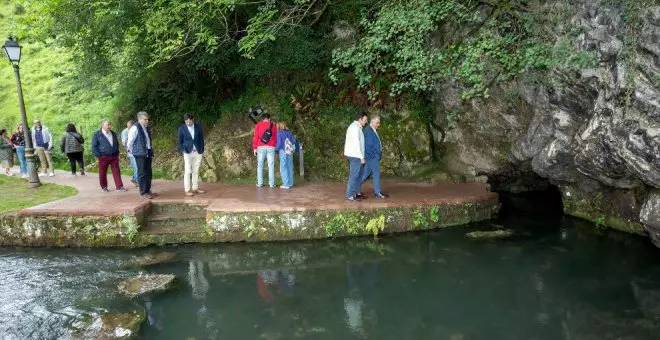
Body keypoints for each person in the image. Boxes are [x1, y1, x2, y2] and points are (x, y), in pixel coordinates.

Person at [91, 119, 126, 192]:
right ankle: (104, 187)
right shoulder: (97, 134)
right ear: (102, 125)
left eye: (110, 124)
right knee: (102, 172)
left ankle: (119, 187)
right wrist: (99, 156)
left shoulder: (113, 133)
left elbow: (116, 143)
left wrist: (117, 152)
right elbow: (94, 147)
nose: (109, 126)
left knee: (116, 171)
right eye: (108, 125)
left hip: (114, 156)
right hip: (103, 157)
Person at [127, 111, 155, 199]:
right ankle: (143, 192)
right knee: (142, 173)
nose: (147, 121)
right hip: (139, 154)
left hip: (147, 152)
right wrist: (133, 152)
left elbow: (147, 140)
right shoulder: (135, 128)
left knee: (148, 172)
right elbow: (130, 142)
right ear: (139, 119)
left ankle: (148, 190)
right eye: (145, 119)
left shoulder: (146, 127)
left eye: (147, 119)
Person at [359, 116, 388, 198]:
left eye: (379, 123)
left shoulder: (372, 130)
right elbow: (367, 146)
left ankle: (354, 188)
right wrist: (374, 156)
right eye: (377, 122)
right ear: (371, 121)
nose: (378, 124)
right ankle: (377, 192)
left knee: (365, 174)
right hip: (372, 157)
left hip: (372, 157)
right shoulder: (368, 131)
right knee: (376, 173)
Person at [178, 113, 206, 196]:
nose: (188, 123)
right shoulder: (181, 128)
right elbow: (180, 141)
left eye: (189, 121)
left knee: (196, 170)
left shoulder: (198, 127)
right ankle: (187, 190)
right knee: (187, 171)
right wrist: (183, 150)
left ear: (192, 119)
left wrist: (201, 149)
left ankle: (195, 187)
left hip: (197, 152)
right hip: (187, 152)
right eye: (186, 121)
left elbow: (201, 139)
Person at [343, 110, 368, 201]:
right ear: (360, 119)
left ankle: (357, 193)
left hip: (358, 155)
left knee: (359, 175)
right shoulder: (354, 128)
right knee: (354, 175)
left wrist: (362, 156)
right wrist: (361, 157)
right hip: (355, 156)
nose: (366, 121)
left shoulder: (358, 127)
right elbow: (356, 144)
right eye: (365, 119)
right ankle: (349, 195)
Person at [252, 113, 278, 188]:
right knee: (271, 166)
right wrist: (274, 145)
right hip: (271, 147)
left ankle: (260, 183)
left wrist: (254, 148)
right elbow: (276, 137)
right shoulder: (273, 126)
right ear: (269, 119)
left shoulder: (258, 125)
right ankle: (271, 184)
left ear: (262, 119)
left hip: (260, 147)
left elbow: (255, 137)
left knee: (260, 165)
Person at [275, 121, 296, 189]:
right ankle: (290, 183)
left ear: (278, 126)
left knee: (283, 167)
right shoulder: (289, 132)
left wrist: (276, 149)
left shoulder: (279, 133)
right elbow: (293, 141)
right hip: (289, 151)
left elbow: (279, 143)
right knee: (289, 166)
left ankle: (286, 184)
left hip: (283, 151)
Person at [121, 120, 138, 187]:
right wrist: (130, 139)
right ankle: (137, 181)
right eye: (128, 127)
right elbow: (124, 143)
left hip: (139, 151)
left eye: (130, 127)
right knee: (136, 167)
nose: (129, 128)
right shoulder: (125, 132)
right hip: (131, 152)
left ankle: (135, 179)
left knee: (138, 167)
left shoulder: (136, 129)